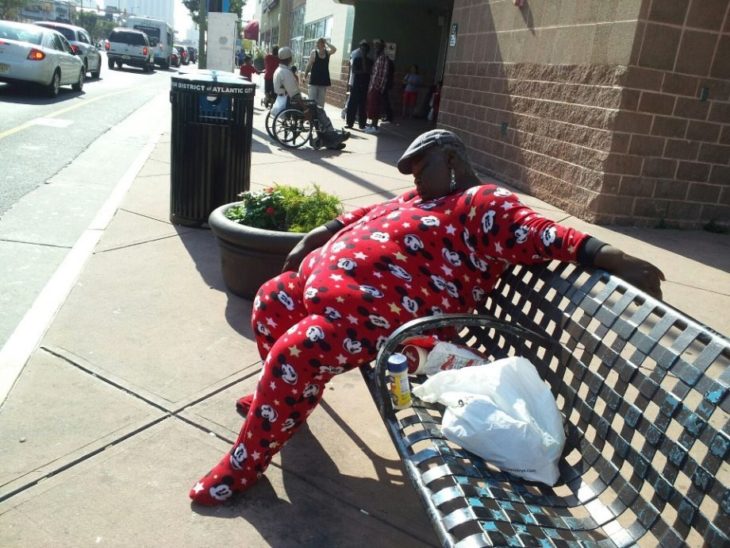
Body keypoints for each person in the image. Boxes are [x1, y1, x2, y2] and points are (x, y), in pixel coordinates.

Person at [189, 129, 665, 505]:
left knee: (298, 351)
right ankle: (279, 402)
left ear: (452, 162)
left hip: (400, 333)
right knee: (272, 297)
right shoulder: (421, 197)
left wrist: (611, 257)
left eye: (422, 166)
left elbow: (538, 232)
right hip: (340, 304)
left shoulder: (481, 204)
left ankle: (244, 462)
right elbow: (369, 213)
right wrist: (319, 234)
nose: (414, 177)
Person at [272, 47, 350, 150]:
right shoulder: (286, 73)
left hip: (284, 100)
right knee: (319, 110)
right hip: (291, 102)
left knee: (315, 107)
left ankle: (328, 140)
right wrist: (305, 109)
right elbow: (295, 94)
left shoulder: (279, 70)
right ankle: (332, 137)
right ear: (289, 58)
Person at [364, 39, 391, 134]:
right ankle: (372, 125)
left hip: (377, 87)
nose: (376, 47)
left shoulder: (383, 58)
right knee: (371, 107)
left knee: (375, 107)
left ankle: (375, 127)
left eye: (378, 45)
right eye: (375, 46)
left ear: (382, 47)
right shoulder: (378, 57)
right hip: (373, 86)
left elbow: (383, 75)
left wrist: (377, 87)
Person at [345, 40, 372, 130]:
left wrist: (364, 69)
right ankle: (349, 123)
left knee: (362, 105)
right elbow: (354, 71)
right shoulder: (356, 59)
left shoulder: (370, 61)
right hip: (356, 85)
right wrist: (363, 71)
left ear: (367, 51)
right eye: (362, 49)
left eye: (365, 50)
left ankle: (362, 124)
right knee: (352, 104)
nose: (363, 51)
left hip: (365, 86)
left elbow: (368, 71)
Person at [303, 37, 337, 108]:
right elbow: (309, 65)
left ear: (323, 44)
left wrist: (327, 42)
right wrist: (304, 76)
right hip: (314, 81)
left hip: (323, 82)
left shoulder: (327, 53)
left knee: (321, 104)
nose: (317, 44)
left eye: (319, 42)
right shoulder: (314, 53)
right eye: (317, 43)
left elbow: (334, 49)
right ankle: (311, 117)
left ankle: (319, 118)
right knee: (312, 101)